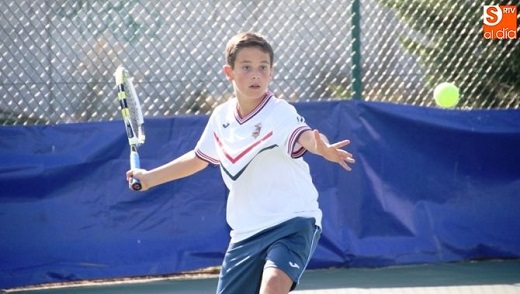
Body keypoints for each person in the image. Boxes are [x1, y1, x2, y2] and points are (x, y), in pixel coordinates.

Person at [127, 32, 355, 294]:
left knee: (273, 285)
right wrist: (149, 178)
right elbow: (198, 158)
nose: (255, 74)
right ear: (229, 72)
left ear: (271, 73)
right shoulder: (221, 116)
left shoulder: (279, 111)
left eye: (263, 67)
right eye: (246, 67)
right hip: (245, 233)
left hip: (293, 221)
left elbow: (305, 136)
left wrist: (321, 148)